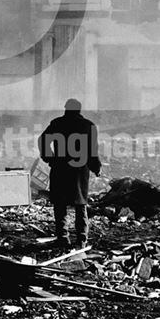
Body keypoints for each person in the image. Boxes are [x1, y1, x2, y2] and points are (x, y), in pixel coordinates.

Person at [37, 98, 102, 247]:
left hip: (60, 168)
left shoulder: (57, 123)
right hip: (79, 171)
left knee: (60, 205)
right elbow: (93, 151)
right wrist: (96, 167)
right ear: (79, 110)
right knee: (80, 205)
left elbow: (42, 140)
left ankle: (63, 238)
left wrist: (49, 158)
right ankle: (81, 240)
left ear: (65, 109)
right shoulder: (88, 125)